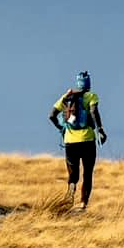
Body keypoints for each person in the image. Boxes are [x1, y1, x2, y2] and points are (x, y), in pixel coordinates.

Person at [49, 71, 107, 210]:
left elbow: (51, 115)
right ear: (89, 83)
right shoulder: (91, 96)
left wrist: (62, 128)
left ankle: (71, 189)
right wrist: (100, 129)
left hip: (70, 141)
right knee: (87, 172)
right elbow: (94, 112)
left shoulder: (66, 97)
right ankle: (83, 203)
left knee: (73, 173)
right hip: (87, 140)